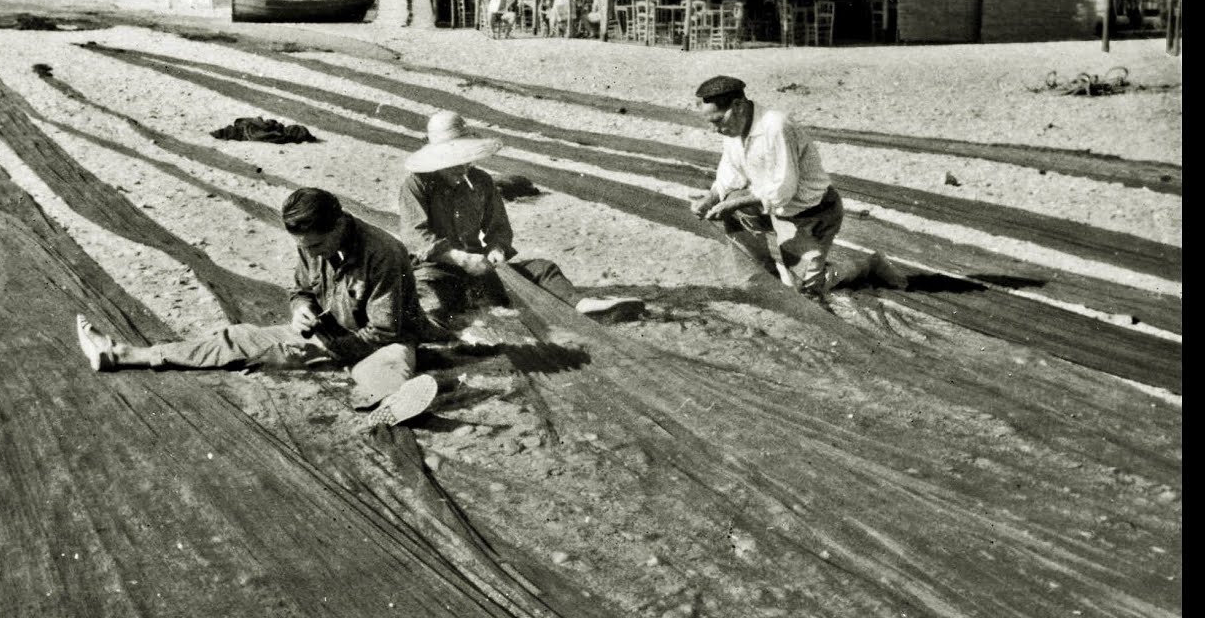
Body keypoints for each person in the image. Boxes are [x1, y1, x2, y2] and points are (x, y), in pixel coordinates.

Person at [74, 188, 441, 427]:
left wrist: (326, 348)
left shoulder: (383, 254)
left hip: (384, 342)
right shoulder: (311, 242)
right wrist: (301, 309)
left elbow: (385, 331)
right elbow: (301, 289)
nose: (310, 253)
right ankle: (121, 355)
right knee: (237, 338)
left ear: (340, 224)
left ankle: (389, 404)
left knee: (388, 370)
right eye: (305, 247)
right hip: (329, 332)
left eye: (316, 246)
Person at [400, 111, 645, 329]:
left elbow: (498, 227)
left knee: (543, 270)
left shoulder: (481, 181)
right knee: (430, 293)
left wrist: (496, 249)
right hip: (439, 268)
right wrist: (460, 258)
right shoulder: (417, 185)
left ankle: (582, 306)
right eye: (453, 162)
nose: (462, 167)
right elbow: (415, 236)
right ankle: (437, 322)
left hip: (480, 267)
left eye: (465, 159)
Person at [688, 76, 908, 306]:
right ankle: (764, 272)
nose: (715, 129)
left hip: (812, 215)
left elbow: (783, 190)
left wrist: (731, 204)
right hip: (776, 210)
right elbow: (730, 175)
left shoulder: (776, 126)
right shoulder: (734, 132)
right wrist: (710, 198)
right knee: (730, 203)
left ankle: (867, 265)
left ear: (738, 106)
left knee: (804, 293)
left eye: (718, 120)